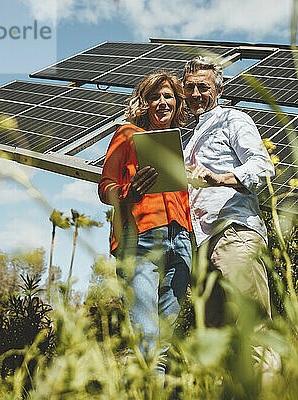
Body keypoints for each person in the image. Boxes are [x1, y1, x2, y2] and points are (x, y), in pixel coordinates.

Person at [97, 71, 192, 376]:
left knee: (163, 343)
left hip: (181, 241)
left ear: (178, 103)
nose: (162, 102)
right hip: (139, 239)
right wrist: (128, 193)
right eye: (154, 97)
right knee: (147, 338)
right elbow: (105, 186)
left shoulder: (182, 146)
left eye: (169, 96)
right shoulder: (126, 135)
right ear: (144, 103)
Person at [182, 56, 275, 327]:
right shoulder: (187, 137)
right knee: (217, 342)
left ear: (219, 90)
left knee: (253, 326)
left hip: (233, 233)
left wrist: (220, 178)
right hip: (199, 244)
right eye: (189, 88)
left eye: (203, 87)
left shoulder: (233, 119)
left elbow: (263, 167)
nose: (196, 94)